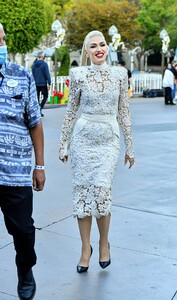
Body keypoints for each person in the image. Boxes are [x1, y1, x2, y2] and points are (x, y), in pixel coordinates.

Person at [59, 30, 134, 273]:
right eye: (93, 46)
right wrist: (64, 143)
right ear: (87, 51)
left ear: (107, 48)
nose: (99, 48)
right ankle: (84, 249)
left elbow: (123, 112)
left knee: (101, 191)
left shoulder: (120, 74)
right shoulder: (78, 74)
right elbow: (71, 112)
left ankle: (103, 243)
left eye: (102, 44)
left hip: (108, 140)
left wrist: (129, 147)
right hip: (83, 139)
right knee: (82, 195)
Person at [0, 23, 45, 299]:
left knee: (24, 232)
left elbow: (35, 123)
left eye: (2, 40)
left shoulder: (22, 76)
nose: (1, 46)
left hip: (14, 173)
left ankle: (25, 269)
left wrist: (39, 166)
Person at [32, 51, 51, 117]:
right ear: (42, 57)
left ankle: (38, 111)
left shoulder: (33, 64)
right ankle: (40, 107)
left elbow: (32, 75)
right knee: (45, 96)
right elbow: (47, 74)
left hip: (35, 84)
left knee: (36, 98)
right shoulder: (44, 64)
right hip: (43, 84)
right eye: (44, 57)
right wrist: (49, 82)